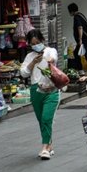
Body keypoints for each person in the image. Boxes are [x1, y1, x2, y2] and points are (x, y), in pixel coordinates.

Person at [20, 29, 60, 160]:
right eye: (32, 44)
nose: (35, 45)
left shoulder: (50, 50)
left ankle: (44, 147)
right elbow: (23, 73)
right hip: (36, 90)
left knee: (46, 118)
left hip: (51, 89)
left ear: (42, 40)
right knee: (41, 120)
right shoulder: (29, 57)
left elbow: (53, 58)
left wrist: (47, 60)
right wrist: (33, 63)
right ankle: (50, 145)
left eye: (37, 42)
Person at [68, 3, 87, 71]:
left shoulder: (77, 17)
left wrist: (80, 39)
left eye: (69, 11)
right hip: (86, 40)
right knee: (77, 53)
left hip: (84, 40)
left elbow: (80, 27)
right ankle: (80, 69)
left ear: (72, 10)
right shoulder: (81, 15)